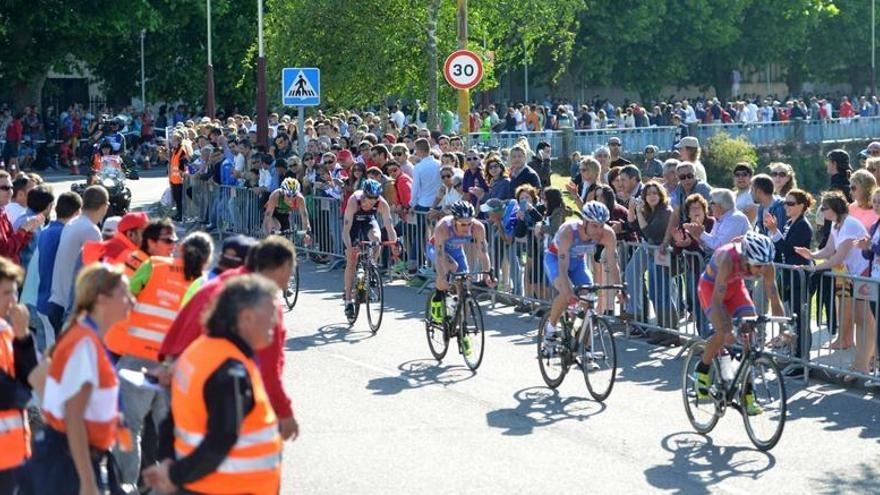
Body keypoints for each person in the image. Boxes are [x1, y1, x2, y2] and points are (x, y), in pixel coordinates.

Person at [144, 275, 285, 495]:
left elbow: (171, 421)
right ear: (246, 317)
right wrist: (173, 474)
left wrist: (168, 465)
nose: (275, 322)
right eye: (271, 313)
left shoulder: (197, 351)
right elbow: (221, 440)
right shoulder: (230, 369)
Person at [158, 236, 299, 442]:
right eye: (291, 270)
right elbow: (268, 366)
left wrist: (168, 362)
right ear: (284, 266)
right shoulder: (263, 300)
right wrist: (283, 411)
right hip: (220, 395)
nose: (290, 278)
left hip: (181, 379)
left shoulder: (222, 282)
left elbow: (181, 325)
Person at [106, 232, 212, 491]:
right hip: (174, 367)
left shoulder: (154, 265)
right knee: (170, 435)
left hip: (136, 358)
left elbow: (126, 294)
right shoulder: (203, 284)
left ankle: (126, 484)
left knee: (128, 426)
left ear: (180, 250)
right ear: (207, 259)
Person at [31, 263, 133, 494]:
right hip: (69, 464)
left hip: (65, 455)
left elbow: (39, 377)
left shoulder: (82, 334)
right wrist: (87, 482)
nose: (132, 300)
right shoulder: (85, 342)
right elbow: (73, 416)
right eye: (124, 294)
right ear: (102, 299)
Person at [693, 232, 785, 415]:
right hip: (711, 289)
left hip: (735, 290)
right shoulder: (727, 259)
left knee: (750, 338)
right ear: (746, 258)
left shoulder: (766, 266)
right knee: (723, 334)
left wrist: (784, 327)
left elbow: (774, 298)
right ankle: (702, 371)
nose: (761, 270)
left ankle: (747, 394)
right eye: (757, 266)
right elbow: (718, 302)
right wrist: (726, 328)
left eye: (764, 266)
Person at [797, 191, 875, 377]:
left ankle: (863, 365)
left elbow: (838, 257)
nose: (821, 211)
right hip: (855, 274)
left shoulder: (849, 225)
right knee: (860, 319)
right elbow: (829, 249)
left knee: (865, 320)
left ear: (835, 209)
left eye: (824, 208)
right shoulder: (836, 224)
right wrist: (811, 255)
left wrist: (815, 268)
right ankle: (860, 364)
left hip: (865, 273)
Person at [542, 202, 622, 355]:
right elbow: (563, 268)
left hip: (578, 263)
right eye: (594, 226)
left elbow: (613, 263)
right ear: (584, 222)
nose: (599, 231)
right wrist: (569, 292)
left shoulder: (607, 234)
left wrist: (619, 287)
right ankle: (551, 329)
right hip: (555, 260)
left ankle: (587, 351)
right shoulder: (569, 232)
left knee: (589, 300)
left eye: (601, 225)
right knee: (566, 294)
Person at [765, 189, 814, 375]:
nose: (786, 206)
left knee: (800, 320)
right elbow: (780, 250)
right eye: (785, 203)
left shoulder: (802, 226)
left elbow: (789, 249)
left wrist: (773, 231)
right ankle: (795, 357)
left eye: (791, 204)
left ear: (801, 206)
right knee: (793, 320)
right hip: (788, 278)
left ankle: (802, 361)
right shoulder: (788, 223)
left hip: (798, 279)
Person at [47, 185, 108, 333]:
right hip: (69, 309)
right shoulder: (90, 231)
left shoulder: (72, 223)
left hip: (56, 302)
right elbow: (94, 274)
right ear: (105, 206)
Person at [0, 257, 36, 493]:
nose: (13, 301)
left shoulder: (6, 330)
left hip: (12, 453)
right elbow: (11, 395)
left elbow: (29, 378)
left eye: (14, 292)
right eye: (5, 293)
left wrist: (23, 337)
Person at [427, 202, 493, 329]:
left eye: (469, 223)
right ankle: (438, 299)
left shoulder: (478, 228)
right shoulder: (444, 227)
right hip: (437, 249)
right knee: (452, 268)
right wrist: (442, 275)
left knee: (465, 281)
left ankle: (463, 327)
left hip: (456, 250)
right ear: (454, 220)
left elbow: (483, 253)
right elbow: (440, 256)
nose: (467, 227)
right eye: (462, 224)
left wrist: (487, 274)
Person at [342, 179, 398, 318]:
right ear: (363, 195)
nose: (372, 201)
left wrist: (394, 245)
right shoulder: (354, 201)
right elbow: (345, 230)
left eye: (375, 198)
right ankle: (348, 301)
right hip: (353, 225)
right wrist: (349, 247)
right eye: (369, 198)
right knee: (351, 261)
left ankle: (370, 267)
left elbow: (390, 228)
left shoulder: (382, 203)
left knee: (377, 240)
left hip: (368, 221)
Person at [683, 188, 751, 252]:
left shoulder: (735, 219)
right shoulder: (720, 218)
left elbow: (719, 246)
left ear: (719, 205)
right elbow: (710, 246)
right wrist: (697, 236)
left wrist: (701, 233)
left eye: (712, 202)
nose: (710, 205)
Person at [0, 171, 43, 265]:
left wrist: (28, 231)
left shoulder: (3, 212)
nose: (10, 192)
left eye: (11, 187)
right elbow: (5, 251)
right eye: (5, 188)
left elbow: (16, 246)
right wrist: (23, 230)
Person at [81, 211, 148, 265]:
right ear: (130, 234)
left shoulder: (109, 248)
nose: (148, 238)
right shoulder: (129, 257)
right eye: (144, 233)